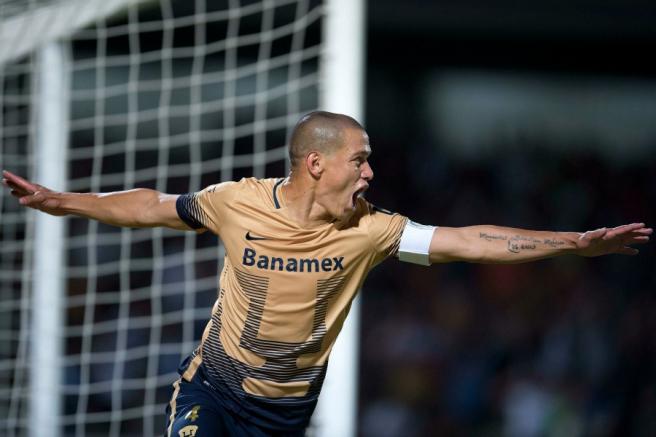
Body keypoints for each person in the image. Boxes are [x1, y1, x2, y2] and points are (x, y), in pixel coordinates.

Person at [2, 111, 651, 437]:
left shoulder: (371, 230)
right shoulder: (238, 202)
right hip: (214, 392)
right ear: (317, 162)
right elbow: (150, 206)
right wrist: (62, 201)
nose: (370, 173)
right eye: (361, 160)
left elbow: (469, 240)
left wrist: (571, 242)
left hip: (284, 416)